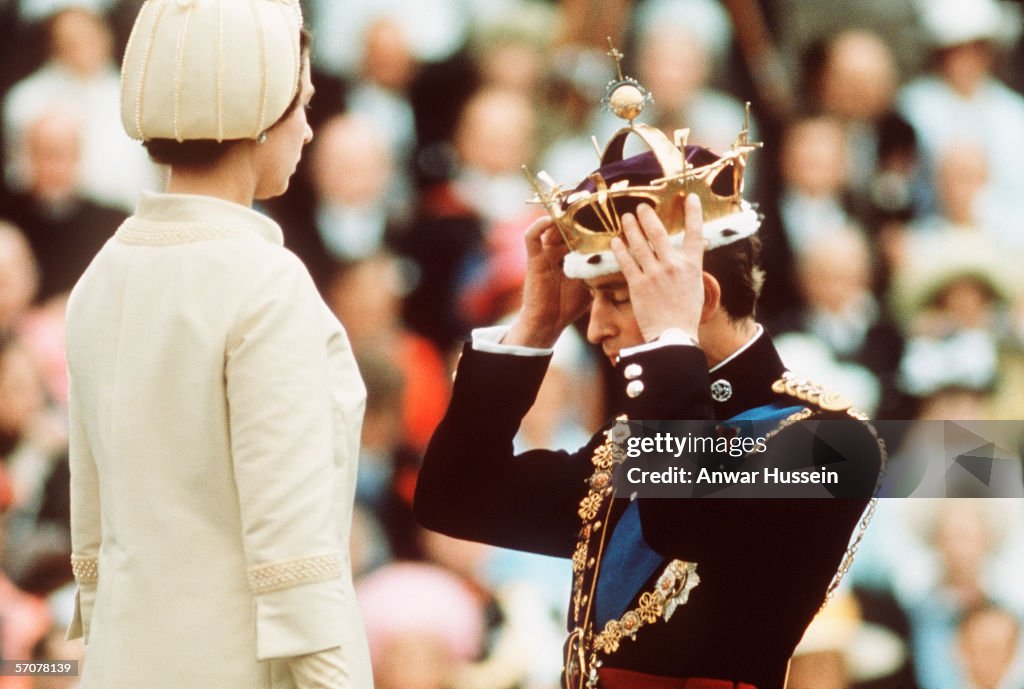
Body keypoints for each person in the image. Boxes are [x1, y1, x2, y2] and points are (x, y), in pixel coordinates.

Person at [414, 51, 883, 689]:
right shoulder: (626, 452)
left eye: (618, 297)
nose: (596, 327)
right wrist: (533, 329)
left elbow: (682, 519)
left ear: (702, 299)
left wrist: (669, 338)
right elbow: (455, 501)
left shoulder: (829, 442)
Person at [64, 2, 372, 688]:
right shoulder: (265, 284)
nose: (308, 128)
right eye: (303, 105)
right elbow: (295, 558)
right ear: (259, 115)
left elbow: (93, 548)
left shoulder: (99, 276)